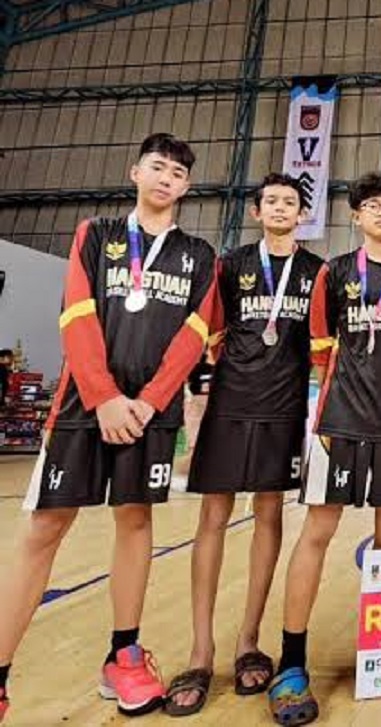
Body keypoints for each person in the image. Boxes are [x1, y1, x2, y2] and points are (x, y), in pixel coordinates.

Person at [0, 133, 216, 721]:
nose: (166, 178)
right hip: (83, 406)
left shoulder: (198, 255)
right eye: (157, 167)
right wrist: (104, 398)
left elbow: (194, 335)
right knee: (45, 527)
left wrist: (147, 403)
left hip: (149, 414)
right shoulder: (95, 235)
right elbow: (76, 312)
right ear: (135, 173)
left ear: (187, 187)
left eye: (177, 173)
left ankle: (123, 656)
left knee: (136, 519)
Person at [266, 172, 381, 727]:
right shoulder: (334, 273)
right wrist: (345, 395)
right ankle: (291, 663)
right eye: (372, 205)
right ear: (356, 216)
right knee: (317, 532)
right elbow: (320, 348)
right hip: (338, 423)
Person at [165, 173, 324, 716]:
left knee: (269, 514)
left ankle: (248, 641)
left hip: (285, 407)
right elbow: (208, 333)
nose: (280, 208)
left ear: (302, 215)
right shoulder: (230, 265)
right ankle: (201, 651)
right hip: (231, 404)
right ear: (256, 211)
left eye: (290, 202)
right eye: (271, 201)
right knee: (213, 515)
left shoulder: (317, 271)